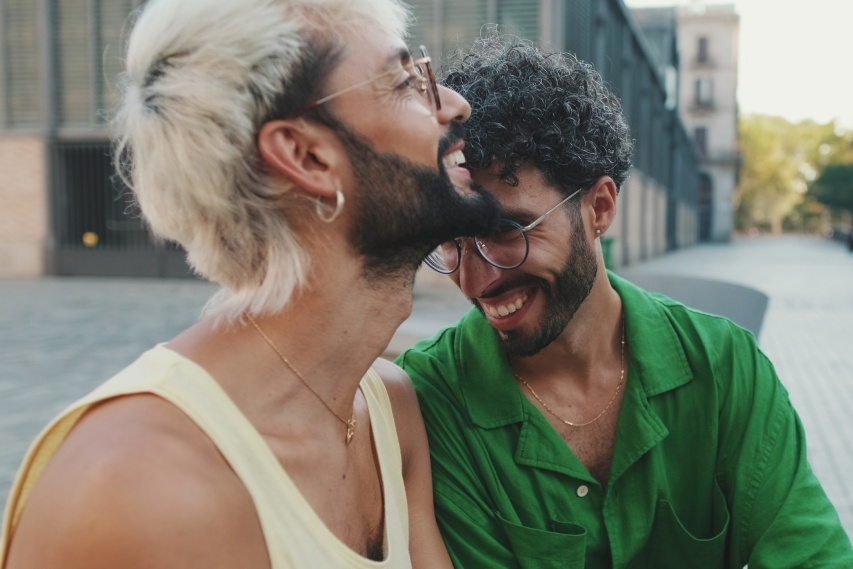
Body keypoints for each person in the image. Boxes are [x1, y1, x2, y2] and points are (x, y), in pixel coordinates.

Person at [0, 0, 502, 567]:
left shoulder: (387, 405)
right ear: (306, 156)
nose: (455, 104)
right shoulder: (134, 484)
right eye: (405, 81)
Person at [397, 35, 853, 568]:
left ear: (600, 206)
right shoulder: (430, 400)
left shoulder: (724, 366)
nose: (475, 281)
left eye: (506, 230)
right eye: (452, 242)